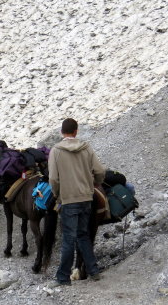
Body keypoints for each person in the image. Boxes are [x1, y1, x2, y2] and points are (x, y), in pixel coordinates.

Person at [48, 118, 105, 287]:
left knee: (68, 239)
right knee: (83, 235)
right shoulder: (86, 148)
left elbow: (53, 179)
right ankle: (94, 271)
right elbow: (100, 171)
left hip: (68, 200)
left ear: (62, 132)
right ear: (76, 131)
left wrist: (58, 195)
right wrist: (95, 183)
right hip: (86, 198)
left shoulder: (56, 151)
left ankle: (63, 277)